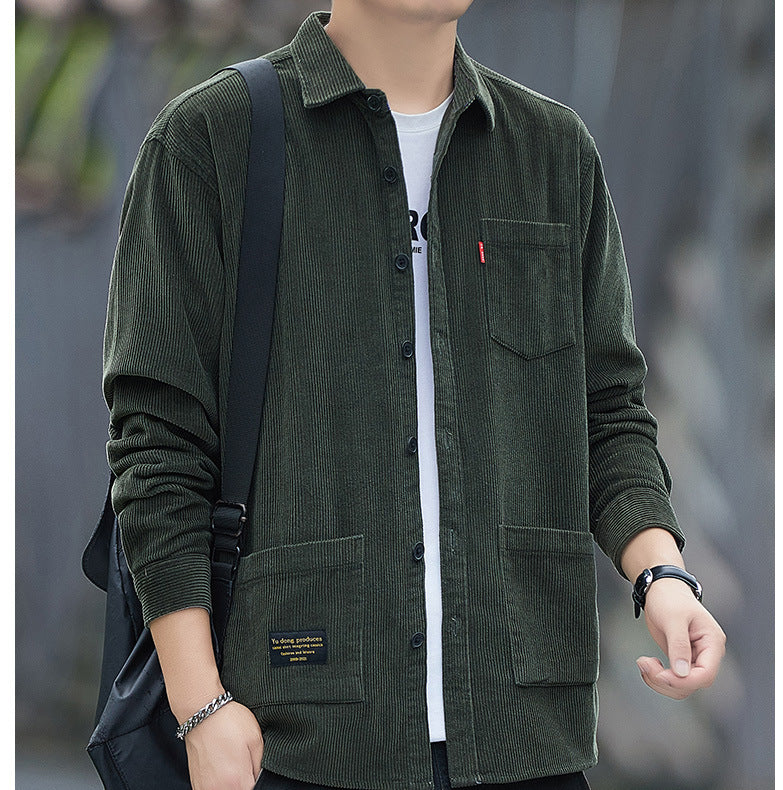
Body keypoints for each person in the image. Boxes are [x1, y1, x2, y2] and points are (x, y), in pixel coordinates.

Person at [101, 2, 727, 789]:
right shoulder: (210, 140)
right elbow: (157, 444)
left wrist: (661, 575)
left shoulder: (552, 152)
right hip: (295, 735)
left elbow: (605, 411)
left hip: (524, 734)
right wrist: (200, 705)